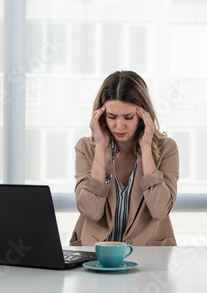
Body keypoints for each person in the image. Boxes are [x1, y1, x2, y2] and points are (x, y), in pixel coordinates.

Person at [69, 71, 179, 246]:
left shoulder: (167, 148)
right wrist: (100, 147)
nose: (119, 126)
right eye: (112, 117)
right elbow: (90, 212)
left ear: (143, 116)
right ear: (101, 115)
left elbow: (159, 211)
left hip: (148, 257)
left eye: (128, 117)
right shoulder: (86, 148)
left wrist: (146, 147)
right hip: (96, 256)